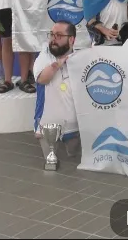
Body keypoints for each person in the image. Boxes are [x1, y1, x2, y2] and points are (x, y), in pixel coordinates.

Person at [33, 21, 80, 158]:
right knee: (50, 162)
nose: (54, 39)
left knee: (74, 156)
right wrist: (58, 64)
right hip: (47, 123)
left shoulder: (80, 59)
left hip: (74, 125)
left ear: (71, 39)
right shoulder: (44, 56)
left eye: (59, 35)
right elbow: (42, 79)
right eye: (52, 35)